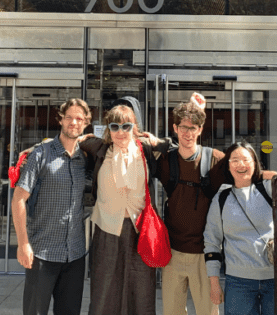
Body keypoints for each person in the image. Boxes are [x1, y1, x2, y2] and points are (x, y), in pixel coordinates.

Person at [157, 94, 277, 315]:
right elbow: (137, 148)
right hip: (172, 252)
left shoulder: (215, 159)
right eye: (183, 127)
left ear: (201, 129)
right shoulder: (165, 160)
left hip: (202, 253)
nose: (187, 132)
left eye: (193, 127)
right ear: (175, 128)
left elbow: (250, 173)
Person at [79, 101, 170, 315]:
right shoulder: (98, 148)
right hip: (107, 229)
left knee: (141, 292)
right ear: (108, 130)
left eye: (126, 126)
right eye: (115, 127)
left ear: (134, 127)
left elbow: (178, 147)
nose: (121, 132)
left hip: (140, 231)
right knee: (104, 291)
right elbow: (65, 142)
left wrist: (157, 141)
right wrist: (28, 153)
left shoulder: (145, 149)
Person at [204, 142, 277, 315]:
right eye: (235, 160)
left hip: (275, 279)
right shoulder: (221, 198)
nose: (241, 165)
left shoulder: (269, 189)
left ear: (255, 164)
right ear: (228, 166)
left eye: (246, 159)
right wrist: (214, 284)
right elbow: (211, 242)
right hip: (238, 282)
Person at [12, 99, 92, 315]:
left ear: (85, 123)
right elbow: (18, 200)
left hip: (74, 254)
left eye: (79, 119)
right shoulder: (41, 154)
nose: (73, 122)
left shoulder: (84, 157)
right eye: (69, 117)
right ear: (60, 119)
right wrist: (23, 244)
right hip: (42, 254)